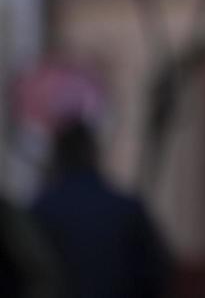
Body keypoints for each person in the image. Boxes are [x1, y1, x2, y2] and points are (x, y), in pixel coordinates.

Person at [29, 118, 172, 298]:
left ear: (57, 156)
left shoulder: (40, 211)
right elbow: (155, 274)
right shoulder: (127, 208)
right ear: (94, 155)